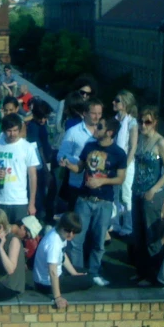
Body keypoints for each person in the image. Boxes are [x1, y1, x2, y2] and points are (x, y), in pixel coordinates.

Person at [60, 117, 127, 287]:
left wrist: (102, 181)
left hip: (104, 201)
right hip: (84, 198)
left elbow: (121, 178)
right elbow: (80, 168)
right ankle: (77, 272)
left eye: (100, 126)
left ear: (109, 132)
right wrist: (68, 165)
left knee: (98, 241)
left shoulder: (119, 153)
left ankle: (94, 272)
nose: (95, 129)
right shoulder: (89, 146)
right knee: (76, 239)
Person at [129, 106, 164, 284]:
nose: (143, 125)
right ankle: (141, 271)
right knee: (138, 235)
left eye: (147, 122)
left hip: (152, 195)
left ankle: (153, 275)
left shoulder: (160, 143)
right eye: (140, 121)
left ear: (154, 122)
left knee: (151, 234)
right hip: (136, 192)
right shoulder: (139, 139)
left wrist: (154, 189)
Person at [0, 113, 40, 224]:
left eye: (15, 130)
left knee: (18, 236)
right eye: (9, 131)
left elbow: (33, 176)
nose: (12, 134)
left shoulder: (27, 147)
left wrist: (32, 203)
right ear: (4, 130)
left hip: (19, 200)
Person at [32, 212, 92, 310]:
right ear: (61, 226)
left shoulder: (58, 234)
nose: (71, 234)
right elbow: (52, 271)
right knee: (89, 280)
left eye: (74, 232)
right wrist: (58, 297)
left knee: (86, 272)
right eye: (68, 230)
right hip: (46, 285)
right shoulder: (54, 243)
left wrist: (74, 273)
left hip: (50, 278)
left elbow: (63, 255)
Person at [58, 98, 101, 211]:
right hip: (77, 184)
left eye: (99, 113)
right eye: (93, 113)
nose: (97, 117)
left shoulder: (104, 132)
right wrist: (79, 161)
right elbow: (61, 155)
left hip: (98, 184)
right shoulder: (73, 132)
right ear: (84, 113)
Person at [112, 90, 138, 237]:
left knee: (126, 194)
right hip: (115, 162)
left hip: (127, 164)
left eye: (117, 101)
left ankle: (128, 225)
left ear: (125, 104)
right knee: (114, 194)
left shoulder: (132, 122)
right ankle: (115, 223)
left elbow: (132, 146)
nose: (114, 103)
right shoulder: (115, 120)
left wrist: (125, 165)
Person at [26, 99, 55, 223]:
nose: (43, 120)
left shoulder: (42, 126)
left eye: (45, 117)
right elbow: (38, 150)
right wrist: (46, 171)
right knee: (39, 198)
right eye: (41, 117)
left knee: (46, 195)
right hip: (39, 168)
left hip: (46, 164)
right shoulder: (33, 127)